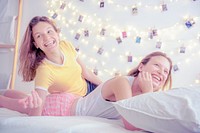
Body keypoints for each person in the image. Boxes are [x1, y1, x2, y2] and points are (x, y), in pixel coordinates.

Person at [22, 51, 173, 131]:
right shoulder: (122, 83)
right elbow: (131, 125)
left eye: (166, 71)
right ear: (141, 67)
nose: (161, 72)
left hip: (72, 99)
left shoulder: (147, 94)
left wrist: (149, 95)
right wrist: (149, 94)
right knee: (18, 104)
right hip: (62, 108)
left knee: (22, 98)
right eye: (157, 66)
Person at [0, 16, 102, 115]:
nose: (46, 37)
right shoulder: (44, 71)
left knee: (25, 98)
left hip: (89, 88)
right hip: (77, 102)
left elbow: (86, 73)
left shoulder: (66, 45)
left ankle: (5, 92)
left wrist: (102, 86)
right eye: (39, 36)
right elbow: (37, 111)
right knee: (25, 106)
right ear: (36, 44)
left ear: (57, 33)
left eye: (49, 31)